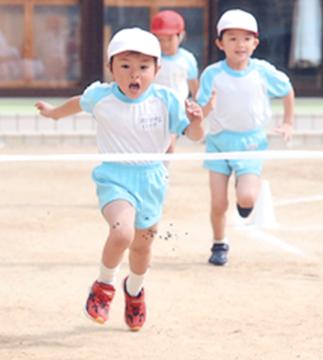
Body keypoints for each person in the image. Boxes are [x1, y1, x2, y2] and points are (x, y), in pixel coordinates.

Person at [34, 28, 204, 331]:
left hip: (152, 179)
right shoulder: (101, 96)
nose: (134, 75)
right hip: (114, 177)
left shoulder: (167, 100)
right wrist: (54, 115)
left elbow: (193, 136)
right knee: (122, 232)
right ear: (111, 68)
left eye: (143, 67)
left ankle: (135, 291)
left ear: (157, 70)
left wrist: (197, 122)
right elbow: (77, 102)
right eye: (124, 66)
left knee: (142, 247)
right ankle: (104, 286)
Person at [197, 9, 295, 266]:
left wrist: (288, 122)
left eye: (245, 39)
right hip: (218, 142)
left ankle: (246, 203)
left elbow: (286, 90)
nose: (239, 44)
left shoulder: (262, 71)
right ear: (220, 43)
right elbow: (201, 109)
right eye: (232, 38)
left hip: (251, 143)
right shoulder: (212, 74)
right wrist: (206, 109)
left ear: (255, 43)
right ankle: (219, 243)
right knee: (218, 201)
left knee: (247, 197)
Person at [151, 10, 200, 157]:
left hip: (177, 107)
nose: (165, 44)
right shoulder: (153, 58)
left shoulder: (187, 59)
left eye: (169, 39)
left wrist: (196, 104)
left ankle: (163, 172)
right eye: (160, 39)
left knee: (169, 144)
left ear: (181, 36)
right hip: (155, 105)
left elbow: (193, 84)